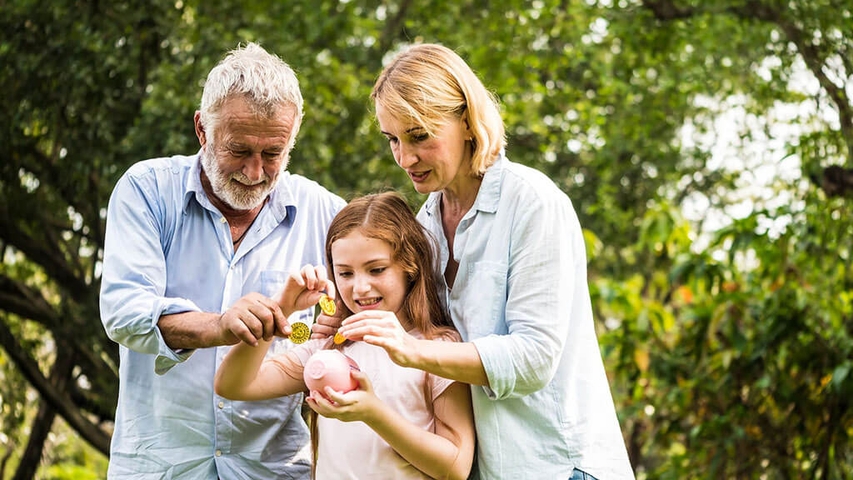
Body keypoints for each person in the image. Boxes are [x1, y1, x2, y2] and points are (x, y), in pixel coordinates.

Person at [334, 43, 636, 479]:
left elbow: (534, 358)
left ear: (467, 121)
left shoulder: (532, 202)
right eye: (393, 140)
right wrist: (340, 321)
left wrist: (413, 351)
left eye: (419, 135)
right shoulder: (424, 226)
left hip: (557, 464)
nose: (405, 158)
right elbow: (417, 323)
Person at [99, 42, 345, 479]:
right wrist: (219, 326)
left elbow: (368, 310)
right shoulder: (147, 190)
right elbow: (125, 312)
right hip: (160, 466)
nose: (255, 172)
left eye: (273, 154)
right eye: (238, 150)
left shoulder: (326, 214)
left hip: (273, 469)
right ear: (201, 129)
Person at [215, 191, 476, 480]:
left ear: (410, 265)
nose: (360, 287)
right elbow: (234, 385)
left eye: (376, 269)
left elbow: (456, 466)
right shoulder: (329, 348)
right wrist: (281, 307)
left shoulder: (436, 348)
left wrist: (373, 413)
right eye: (345, 273)